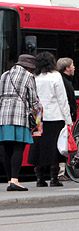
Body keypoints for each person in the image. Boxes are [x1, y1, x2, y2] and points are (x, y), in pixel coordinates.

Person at [28, 52, 71, 187]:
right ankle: (54, 178)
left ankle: (39, 178)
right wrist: (68, 119)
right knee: (55, 147)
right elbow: (62, 99)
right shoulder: (56, 76)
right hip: (55, 116)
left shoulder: (33, 76)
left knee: (38, 146)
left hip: (38, 116)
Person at [0, 54, 39, 191]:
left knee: (6, 148)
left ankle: (10, 179)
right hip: (19, 115)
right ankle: (15, 180)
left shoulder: (4, 75)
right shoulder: (28, 77)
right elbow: (34, 100)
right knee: (18, 147)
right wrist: (37, 111)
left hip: (3, 115)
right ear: (29, 67)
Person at [56, 57, 77, 181]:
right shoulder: (65, 82)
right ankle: (61, 172)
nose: (74, 67)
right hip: (63, 117)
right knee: (63, 144)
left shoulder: (61, 79)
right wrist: (71, 117)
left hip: (58, 116)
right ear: (67, 68)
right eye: (72, 65)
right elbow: (68, 101)